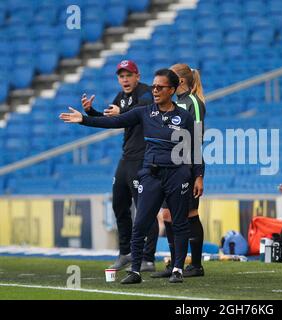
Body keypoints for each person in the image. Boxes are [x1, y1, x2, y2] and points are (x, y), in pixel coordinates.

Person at [60, 68, 204, 283]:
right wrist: (85, 119)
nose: (155, 90)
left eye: (160, 87)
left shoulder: (183, 117)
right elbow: (114, 122)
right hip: (151, 174)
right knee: (141, 223)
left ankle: (177, 270)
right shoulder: (144, 112)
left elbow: (195, 149)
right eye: (154, 86)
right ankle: (135, 270)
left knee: (180, 222)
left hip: (178, 175)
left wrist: (199, 176)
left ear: (172, 90)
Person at [81, 60, 159, 272]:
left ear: (137, 76)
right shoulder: (121, 97)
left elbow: (139, 112)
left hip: (144, 158)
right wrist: (93, 112)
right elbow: (114, 121)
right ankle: (125, 252)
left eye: (128, 75)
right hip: (126, 158)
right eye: (121, 76)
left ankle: (148, 258)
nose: (124, 79)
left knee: (145, 210)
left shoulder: (147, 93)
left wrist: (120, 114)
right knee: (119, 205)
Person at [152, 63, 206, 279]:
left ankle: (196, 265)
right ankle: (176, 264)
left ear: (180, 82)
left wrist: (197, 173)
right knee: (167, 214)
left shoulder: (192, 102)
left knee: (190, 214)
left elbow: (197, 136)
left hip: (187, 165)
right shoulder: (175, 104)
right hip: (169, 166)